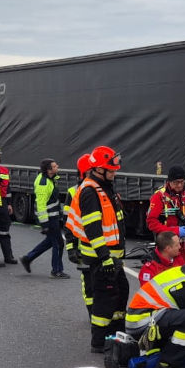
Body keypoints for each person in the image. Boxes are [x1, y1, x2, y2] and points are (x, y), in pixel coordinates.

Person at [69, 145, 129, 352]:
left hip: (112, 257)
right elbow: (93, 229)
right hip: (101, 257)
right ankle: (99, 342)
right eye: (110, 170)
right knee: (105, 300)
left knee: (121, 294)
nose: (114, 174)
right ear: (98, 169)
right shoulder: (90, 191)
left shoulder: (103, 187)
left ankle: (116, 335)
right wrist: (105, 257)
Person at [21, 158, 68, 278]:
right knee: (58, 243)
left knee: (49, 242)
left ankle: (28, 258)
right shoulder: (43, 182)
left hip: (53, 217)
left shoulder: (51, 179)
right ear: (49, 170)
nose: (57, 166)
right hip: (49, 219)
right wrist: (45, 224)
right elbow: (41, 204)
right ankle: (56, 271)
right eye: (55, 166)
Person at [146, 164, 185, 266]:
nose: (179, 185)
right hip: (168, 247)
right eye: (176, 182)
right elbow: (151, 223)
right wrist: (176, 231)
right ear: (169, 182)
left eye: (182, 182)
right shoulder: (159, 196)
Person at [64, 154, 93, 317]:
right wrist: (71, 248)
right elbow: (69, 225)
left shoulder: (106, 188)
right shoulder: (73, 192)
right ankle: (92, 313)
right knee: (88, 284)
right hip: (85, 248)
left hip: (104, 248)